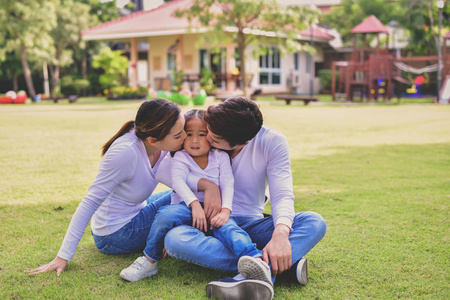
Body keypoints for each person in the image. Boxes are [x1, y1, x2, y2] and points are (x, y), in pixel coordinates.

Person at [159, 97, 327, 300]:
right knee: (175, 240)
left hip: (250, 221)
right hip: (209, 222)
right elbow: (163, 170)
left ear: (242, 143)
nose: (208, 138)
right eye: (209, 130)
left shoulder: (271, 142)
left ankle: (257, 269)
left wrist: (281, 235)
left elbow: (282, 194)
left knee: (314, 222)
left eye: (215, 139)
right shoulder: (209, 126)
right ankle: (278, 266)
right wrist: (206, 185)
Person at [28, 99, 187, 276]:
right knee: (192, 197)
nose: (185, 138)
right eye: (178, 135)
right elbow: (90, 202)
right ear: (153, 140)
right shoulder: (125, 153)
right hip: (116, 234)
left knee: (188, 195)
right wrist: (63, 256)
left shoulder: (159, 140)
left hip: (136, 209)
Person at [120, 109, 272, 286]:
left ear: (211, 136)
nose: (194, 140)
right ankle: (149, 260)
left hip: (215, 211)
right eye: (189, 134)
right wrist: (194, 205)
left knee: (230, 230)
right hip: (186, 207)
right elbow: (177, 181)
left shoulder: (220, 156)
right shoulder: (181, 157)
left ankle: (255, 258)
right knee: (165, 215)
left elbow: (228, 184)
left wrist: (225, 211)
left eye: (201, 134)